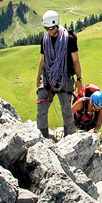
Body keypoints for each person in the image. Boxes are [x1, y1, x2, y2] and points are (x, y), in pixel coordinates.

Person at [36, 9, 83, 138]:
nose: (49, 32)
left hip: (65, 76)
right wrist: (38, 76)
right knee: (41, 107)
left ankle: (70, 138)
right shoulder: (45, 39)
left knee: (67, 110)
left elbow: (76, 61)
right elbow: (43, 59)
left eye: (51, 28)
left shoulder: (69, 39)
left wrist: (79, 80)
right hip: (48, 76)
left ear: (57, 24)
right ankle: (42, 137)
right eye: (47, 29)